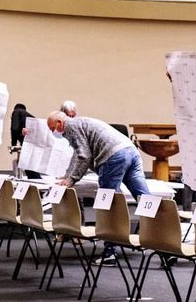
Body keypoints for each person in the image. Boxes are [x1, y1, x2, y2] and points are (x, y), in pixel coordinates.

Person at [49, 111, 150, 264]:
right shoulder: (80, 123)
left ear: (60, 123)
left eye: (52, 128)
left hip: (113, 157)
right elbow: (78, 154)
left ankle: (110, 252)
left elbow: (84, 156)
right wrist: (68, 175)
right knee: (146, 200)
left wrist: (72, 180)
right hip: (130, 152)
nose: (52, 132)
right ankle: (166, 247)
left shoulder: (70, 127)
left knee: (108, 205)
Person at [9, 103, 40, 179]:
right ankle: (36, 179)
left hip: (27, 141)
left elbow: (14, 128)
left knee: (26, 161)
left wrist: (13, 144)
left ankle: (34, 179)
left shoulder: (16, 112)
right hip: (36, 140)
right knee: (31, 162)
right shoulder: (28, 115)